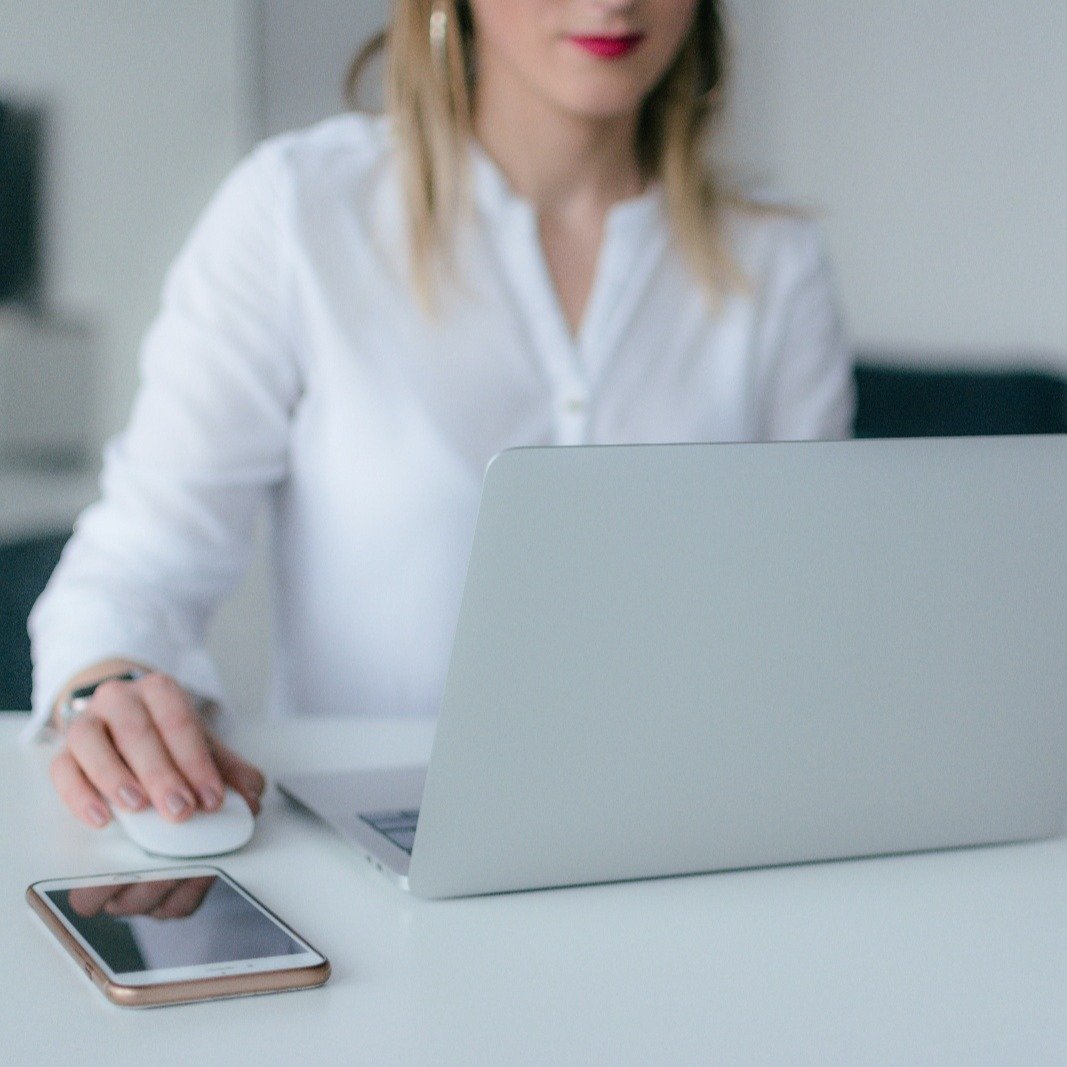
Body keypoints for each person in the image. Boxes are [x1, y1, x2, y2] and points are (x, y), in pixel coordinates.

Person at [28, 0, 855, 831]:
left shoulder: (775, 259)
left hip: (687, 832)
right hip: (374, 842)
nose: (612, 1)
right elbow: (138, 566)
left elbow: (811, 614)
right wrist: (108, 689)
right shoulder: (299, 213)